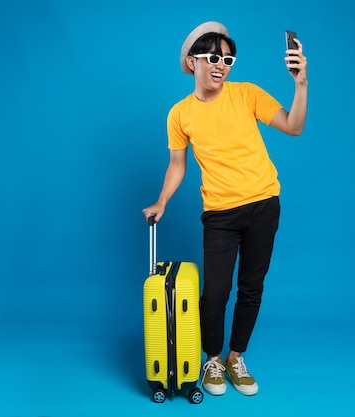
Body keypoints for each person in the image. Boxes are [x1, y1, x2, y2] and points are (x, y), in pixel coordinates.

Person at [142, 21, 307, 396]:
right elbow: (178, 164)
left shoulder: (246, 94)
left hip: (264, 203)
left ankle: (235, 358)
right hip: (220, 212)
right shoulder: (179, 114)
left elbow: (293, 126)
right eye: (214, 57)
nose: (221, 65)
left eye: (228, 59)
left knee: (252, 287)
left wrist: (301, 84)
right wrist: (162, 201)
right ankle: (212, 359)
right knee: (215, 293)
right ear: (193, 61)